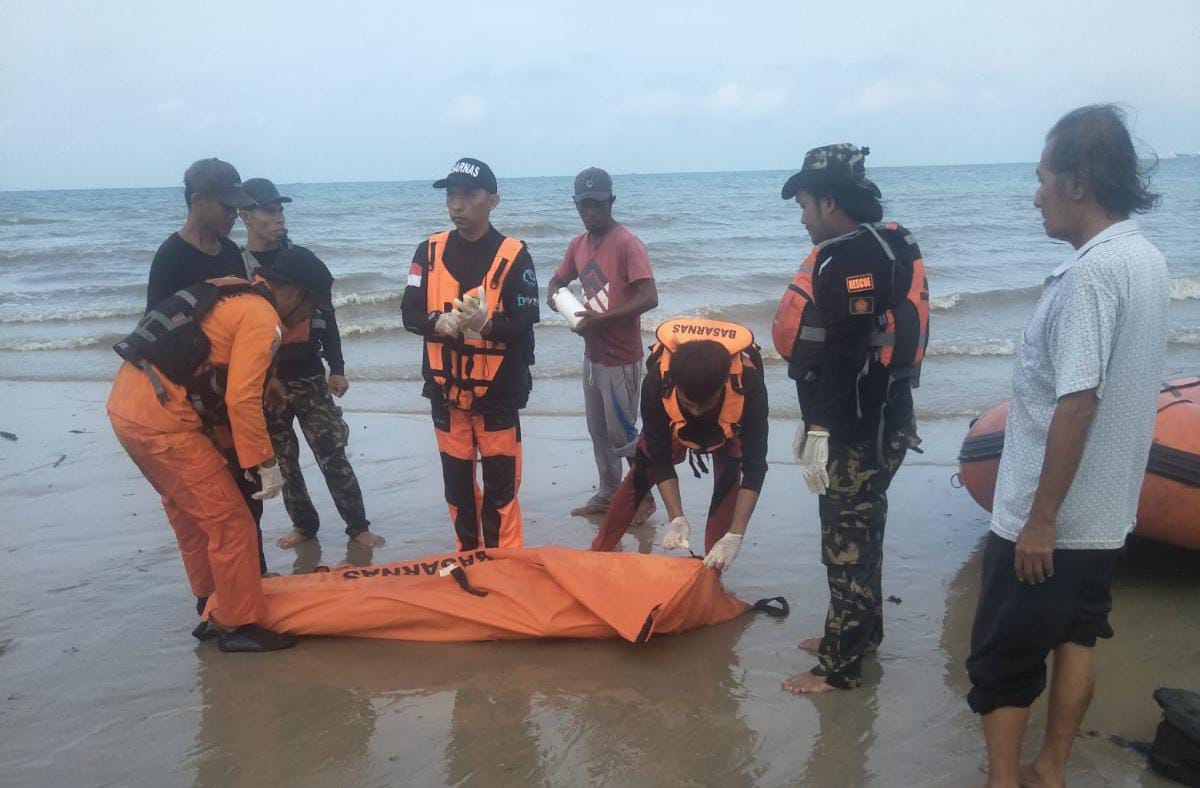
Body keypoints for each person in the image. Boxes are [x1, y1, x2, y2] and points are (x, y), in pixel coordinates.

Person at [966, 105, 1168, 788]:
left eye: (1043, 177)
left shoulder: (1087, 277)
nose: (1035, 195)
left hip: (1051, 518)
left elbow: (1078, 400)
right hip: (1108, 511)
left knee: (1002, 659)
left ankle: (1003, 782)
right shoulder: (1145, 257)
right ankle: (1050, 769)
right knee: (1076, 636)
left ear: (1077, 183)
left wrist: (1041, 519)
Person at [108, 246, 336, 652]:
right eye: (313, 306)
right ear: (297, 293)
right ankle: (237, 625)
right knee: (231, 523)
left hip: (130, 409)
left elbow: (215, 365)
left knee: (193, 518)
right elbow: (241, 401)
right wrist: (264, 463)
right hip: (165, 425)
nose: (310, 318)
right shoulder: (263, 318)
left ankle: (212, 606)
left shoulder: (238, 299)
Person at [775, 144, 927, 694]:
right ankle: (860, 632)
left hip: (858, 431)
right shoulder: (889, 241)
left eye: (807, 205)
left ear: (831, 202)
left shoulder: (848, 260)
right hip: (886, 418)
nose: (802, 216)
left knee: (845, 545)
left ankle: (839, 667)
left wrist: (821, 427)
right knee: (865, 535)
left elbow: (845, 355)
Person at [401, 158, 540, 551]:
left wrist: (487, 324)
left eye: (468, 196)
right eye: (451, 196)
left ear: (493, 201)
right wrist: (436, 322)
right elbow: (408, 313)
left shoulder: (515, 256)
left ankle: (505, 567)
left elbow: (527, 321)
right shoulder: (426, 252)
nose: (456, 206)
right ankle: (468, 555)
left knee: (501, 491)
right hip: (447, 396)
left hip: (498, 396)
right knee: (457, 489)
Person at [238, 178, 384, 550]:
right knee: (285, 461)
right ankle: (304, 526)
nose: (278, 217)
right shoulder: (238, 267)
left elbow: (327, 315)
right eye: (269, 211)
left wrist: (337, 367)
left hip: (307, 372)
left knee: (332, 452)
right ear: (245, 216)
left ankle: (357, 526)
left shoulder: (302, 261)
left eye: (280, 209)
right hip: (264, 382)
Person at [144, 158, 270, 573]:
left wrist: (268, 378)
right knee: (211, 507)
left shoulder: (232, 253)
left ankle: (255, 580)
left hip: (235, 396)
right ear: (198, 201)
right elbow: (155, 335)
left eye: (238, 208)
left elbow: (251, 319)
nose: (235, 216)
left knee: (250, 499)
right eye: (227, 207)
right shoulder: (171, 258)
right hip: (191, 403)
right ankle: (218, 601)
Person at [591, 317, 767, 573]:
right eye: (689, 403)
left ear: (722, 386)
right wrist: (676, 517)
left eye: (703, 405)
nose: (695, 411)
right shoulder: (656, 382)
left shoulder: (749, 385)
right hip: (673, 422)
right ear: (674, 384)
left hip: (727, 425)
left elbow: (755, 467)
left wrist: (735, 535)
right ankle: (597, 554)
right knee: (641, 473)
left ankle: (711, 574)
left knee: (729, 480)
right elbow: (659, 458)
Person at [547, 167, 658, 519]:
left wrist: (603, 320)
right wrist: (555, 296)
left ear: (611, 201)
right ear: (576, 205)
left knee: (623, 434)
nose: (590, 212)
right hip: (592, 355)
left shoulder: (628, 243)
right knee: (598, 432)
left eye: (597, 205)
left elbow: (649, 296)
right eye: (584, 206)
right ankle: (609, 493)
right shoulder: (577, 245)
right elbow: (557, 279)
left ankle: (644, 498)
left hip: (621, 357)